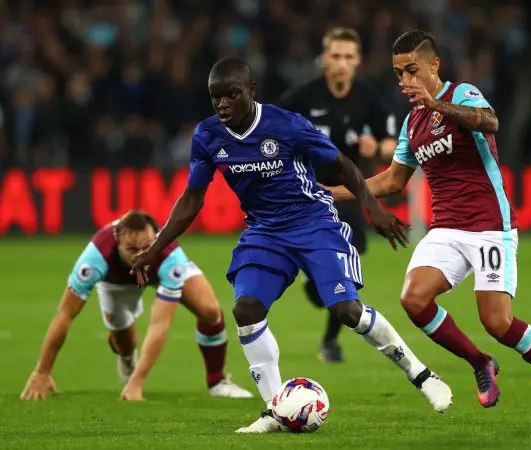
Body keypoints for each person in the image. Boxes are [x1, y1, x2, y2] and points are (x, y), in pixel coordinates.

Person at [130, 57, 453, 433]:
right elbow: (191, 199)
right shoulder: (208, 136)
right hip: (264, 231)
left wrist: (373, 209)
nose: (222, 105)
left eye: (231, 95)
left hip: (313, 222)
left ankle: (421, 375)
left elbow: (343, 165)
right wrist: (155, 248)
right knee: (246, 309)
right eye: (215, 97)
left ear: (251, 91)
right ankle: (275, 412)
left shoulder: (286, 124)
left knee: (347, 311)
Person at [328, 30, 531, 426]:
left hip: (489, 225)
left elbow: (491, 122)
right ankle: (480, 362)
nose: (404, 81)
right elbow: (393, 180)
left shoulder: (462, 94)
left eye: (411, 70)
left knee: (497, 322)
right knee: (414, 299)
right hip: (447, 229)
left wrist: (438, 105)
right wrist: (329, 193)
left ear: (434, 65)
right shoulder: (413, 122)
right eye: (399, 73)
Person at [20, 210, 252, 401]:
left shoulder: (170, 255)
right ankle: (126, 356)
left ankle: (217, 381)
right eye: (132, 250)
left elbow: (160, 323)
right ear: (117, 243)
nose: (141, 255)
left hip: (160, 271)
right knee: (124, 343)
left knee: (210, 311)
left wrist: (137, 382)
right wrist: (42, 371)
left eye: (147, 247)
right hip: (116, 282)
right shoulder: (96, 257)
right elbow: (65, 314)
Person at [279, 27, 397, 363]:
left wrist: (378, 148)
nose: (342, 63)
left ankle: (330, 340)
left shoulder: (368, 98)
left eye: (348, 56)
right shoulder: (303, 97)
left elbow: (393, 144)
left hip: (348, 196)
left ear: (358, 60)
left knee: (345, 276)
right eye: (336, 56)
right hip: (308, 196)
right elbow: (272, 132)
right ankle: (315, 288)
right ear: (324, 59)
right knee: (323, 287)